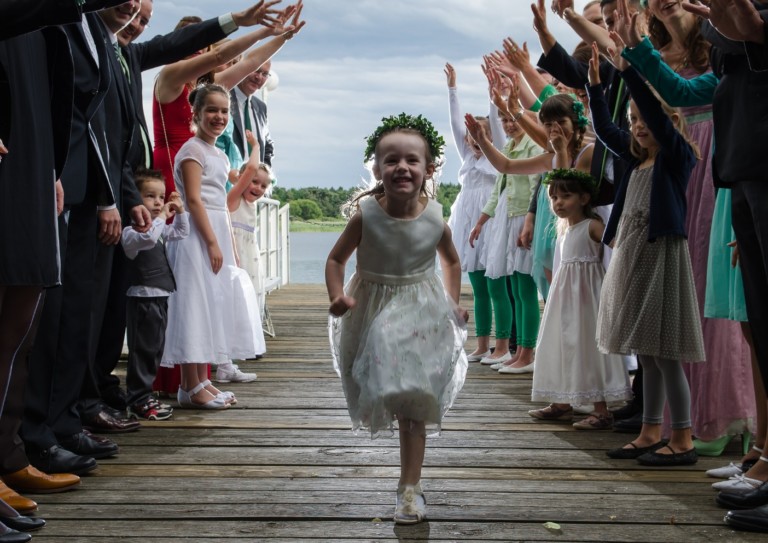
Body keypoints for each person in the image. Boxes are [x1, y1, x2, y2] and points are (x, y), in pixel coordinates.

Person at [611, 0, 765, 490]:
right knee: (753, 324)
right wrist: (633, 50)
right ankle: (760, 451)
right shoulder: (721, 56)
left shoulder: (677, 150)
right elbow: (677, 91)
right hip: (734, 180)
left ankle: (699, 438)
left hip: (745, 176)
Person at [152, 3, 304, 395]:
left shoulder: (203, 93)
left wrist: (281, 38)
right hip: (175, 183)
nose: (205, 55)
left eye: (205, 50)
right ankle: (174, 379)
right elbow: (225, 55)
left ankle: (199, 375)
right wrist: (257, 27)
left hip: (203, 185)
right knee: (180, 284)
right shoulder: (170, 80)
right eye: (198, 47)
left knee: (205, 286)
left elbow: (246, 62)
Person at [326, 113, 468, 524]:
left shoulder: (436, 218)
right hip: (371, 304)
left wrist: (453, 303)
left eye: (411, 160)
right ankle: (408, 480)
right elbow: (336, 259)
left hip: (420, 307)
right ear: (376, 167)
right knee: (388, 386)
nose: (401, 167)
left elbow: (452, 263)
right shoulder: (366, 215)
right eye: (391, 160)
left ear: (429, 169)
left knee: (413, 398)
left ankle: (410, 488)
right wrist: (337, 295)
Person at [587, 42, 705, 466]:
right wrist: (596, 86)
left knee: (666, 353)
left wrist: (633, 73)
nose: (637, 126)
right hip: (634, 257)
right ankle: (650, 430)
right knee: (647, 352)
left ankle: (684, 438)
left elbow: (654, 114)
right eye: (633, 120)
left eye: (644, 119)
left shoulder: (675, 158)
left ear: (668, 121)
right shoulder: (635, 162)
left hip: (661, 257)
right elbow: (604, 127)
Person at [466, 92, 594, 373]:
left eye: (560, 122)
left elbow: (570, 193)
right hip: (555, 236)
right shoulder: (551, 155)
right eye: (547, 124)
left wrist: (560, 153)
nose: (553, 130)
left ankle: (577, 378)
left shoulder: (589, 152)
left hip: (581, 237)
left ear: (577, 122)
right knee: (554, 304)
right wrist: (484, 140)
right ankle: (558, 379)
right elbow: (506, 166)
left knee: (574, 308)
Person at [161, 84, 265, 408]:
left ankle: (201, 380)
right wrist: (211, 242)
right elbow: (193, 200)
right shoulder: (192, 151)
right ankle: (188, 386)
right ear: (196, 113)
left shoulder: (218, 154)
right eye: (212, 110)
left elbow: (221, 201)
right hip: (196, 236)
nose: (218, 117)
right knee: (194, 304)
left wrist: (227, 243)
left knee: (210, 305)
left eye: (224, 111)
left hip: (216, 230)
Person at [528, 168, 631, 429]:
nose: (558, 203)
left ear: (584, 199)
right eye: (554, 198)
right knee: (563, 344)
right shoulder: (564, 230)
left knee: (588, 347)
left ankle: (601, 410)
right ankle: (563, 401)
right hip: (565, 298)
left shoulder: (593, 226)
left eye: (566, 196)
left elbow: (618, 250)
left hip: (588, 298)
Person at [443, 63, 500, 362]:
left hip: (489, 219)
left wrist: (493, 91)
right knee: (478, 286)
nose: (472, 139)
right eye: (470, 134)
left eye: (479, 134)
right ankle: (481, 343)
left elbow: (496, 125)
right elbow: (455, 123)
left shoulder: (496, 156)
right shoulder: (466, 155)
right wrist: (453, 88)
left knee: (495, 285)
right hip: (467, 221)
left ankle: (505, 344)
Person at [123, 170, 189, 421]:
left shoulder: (158, 227)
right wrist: (162, 216)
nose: (158, 202)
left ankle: (143, 395)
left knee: (154, 350)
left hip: (159, 296)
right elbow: (148, 239)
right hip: (142, 297)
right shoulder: (132, 232)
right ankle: (138, 398)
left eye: (161, 197)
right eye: (150, 196)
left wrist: (180, 211)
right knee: (143, 350)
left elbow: (181, 232)